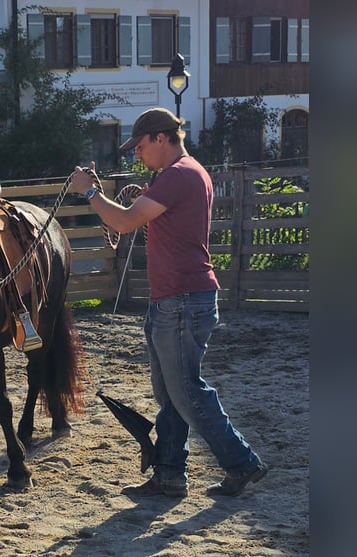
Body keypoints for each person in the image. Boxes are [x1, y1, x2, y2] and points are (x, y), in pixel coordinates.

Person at [71, 107, 267, 498]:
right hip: (175, 300)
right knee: (171, 394)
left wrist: (90, 192)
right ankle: (170, 473)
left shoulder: (179, 176)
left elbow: (125, 222)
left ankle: (241, 461)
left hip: (180, 301)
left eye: (140, 146)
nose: (137, 155)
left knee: (187, 392)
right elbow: (140, 218)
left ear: (162, 138)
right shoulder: (183, 175)